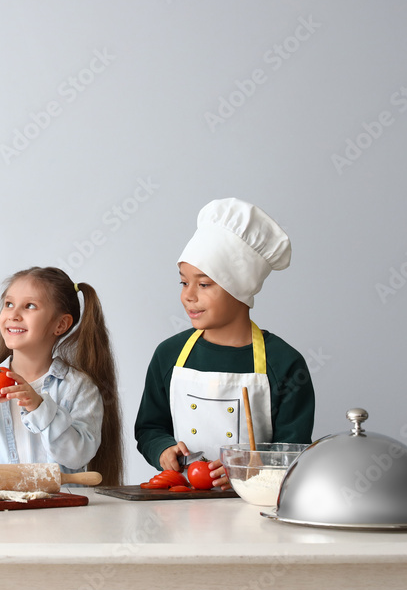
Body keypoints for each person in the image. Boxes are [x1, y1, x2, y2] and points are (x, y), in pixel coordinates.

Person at [134, 198, 314, 487]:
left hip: (254, 511)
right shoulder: (169, 354)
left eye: (204, 284)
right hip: (180, 505)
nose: (189, 295)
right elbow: (150, 428)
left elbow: (293, 454)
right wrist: (163, 450)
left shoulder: (284, 363)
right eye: (184, 282)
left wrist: (249, 477)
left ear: (239, 288)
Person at [0, 266, 124, 486]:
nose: (13, 314)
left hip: (63, 517)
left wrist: (40, 408)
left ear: (60, 324)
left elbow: (78, 455)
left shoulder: (78, 388)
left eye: (29, 306)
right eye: (9, 304)